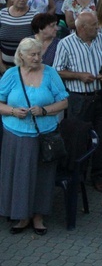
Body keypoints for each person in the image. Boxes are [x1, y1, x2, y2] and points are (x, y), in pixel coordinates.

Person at [0, 37, 69, 235]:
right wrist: (13, 111)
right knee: (18, 176)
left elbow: (64, 102)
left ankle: (38, 217)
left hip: (43, 136)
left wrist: (45, 110)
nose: (37, 58)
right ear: (21, 55)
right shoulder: (11, 75)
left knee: (42, 177)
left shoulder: (50, 73)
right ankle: (21, 216)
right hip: (16, 135)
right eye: (33, 54)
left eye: (39, 54)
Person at [53, 11, 102, 192]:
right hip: (79, 99)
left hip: (101, 96)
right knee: (78, 139)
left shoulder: (100, 40)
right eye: (93, 25)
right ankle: (77, 175)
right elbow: (56, 71)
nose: (97, 27)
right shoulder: (66, 44)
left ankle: (99, 176)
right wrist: (78, 75)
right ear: (81, 27)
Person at [0, 0, 37, 74]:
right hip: (3, 66)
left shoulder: (34, 15)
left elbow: (37, 41)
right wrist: (1, 66)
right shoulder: (2, 14)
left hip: (26, 67)